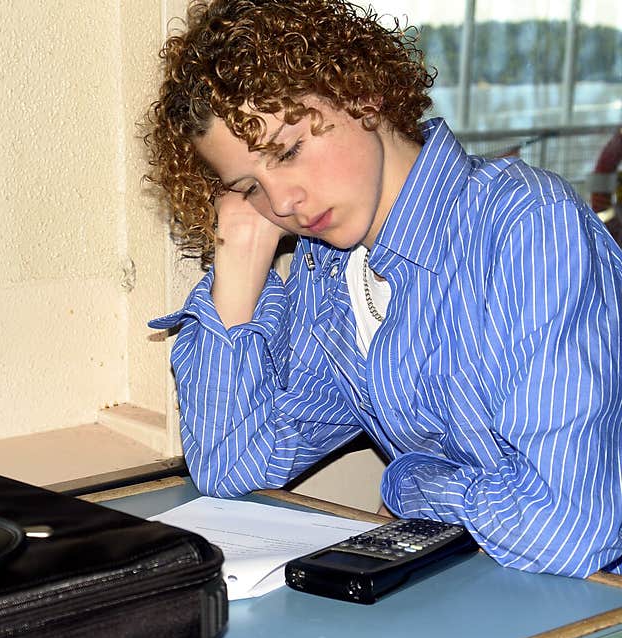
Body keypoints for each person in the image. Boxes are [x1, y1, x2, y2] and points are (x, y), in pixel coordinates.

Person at [142, 0, 622, 579]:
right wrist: (239, 261)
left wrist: (408, 481)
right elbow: (230, 463)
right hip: (489, 587)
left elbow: (568, 529)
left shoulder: (524, 225)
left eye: (289, 151)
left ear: (361, 92)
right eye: (250, 186)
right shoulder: (335, 273)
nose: (284, 202)